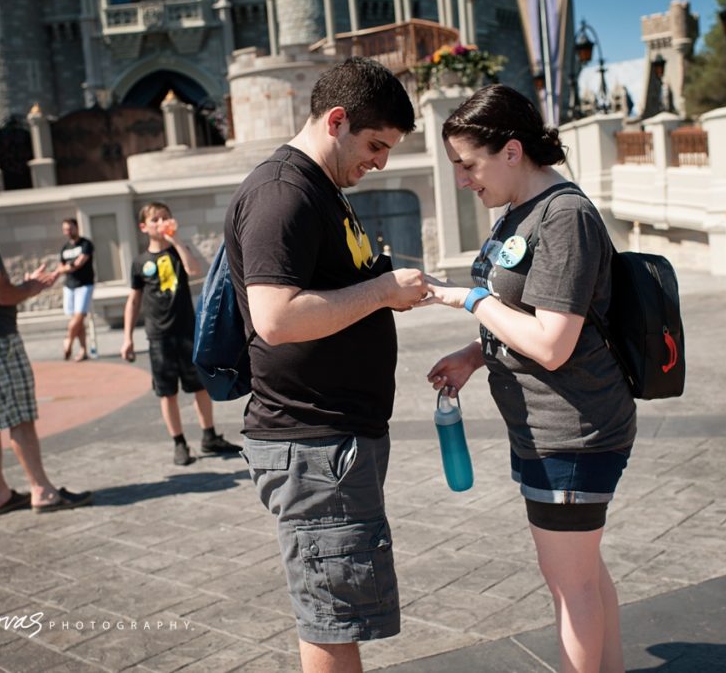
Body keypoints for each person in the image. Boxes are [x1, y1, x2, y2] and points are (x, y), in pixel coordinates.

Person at [422, 85, 636, 673]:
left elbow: (552, 342)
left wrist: (467, 300)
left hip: (574, 430)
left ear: (511, 151)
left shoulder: (563, 216)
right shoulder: (520, 212)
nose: (464, 180)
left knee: (571, 588)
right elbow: (526, 317)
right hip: (548, 429)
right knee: (583, 575)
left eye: (469, 165)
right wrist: (474, 353)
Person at [224, 57, 426, 673]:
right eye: (375, 145)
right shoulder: (284, 193)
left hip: (332, 441)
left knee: (337, 614)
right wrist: (384, 292)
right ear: (336, 121)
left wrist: (387, 282)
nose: (381, 162)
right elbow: (276, 319)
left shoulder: (319, 188)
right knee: (331, 621)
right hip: (314, 445)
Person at [0, 173, 94, 515]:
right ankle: (42, 491)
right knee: (20, 416)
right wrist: (30, 288)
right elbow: (1, 294)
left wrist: (23, 285)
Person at [120, 202, 240, 466]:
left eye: (165, 217)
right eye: (155, 220)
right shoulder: (140, 262)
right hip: (158, 336)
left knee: (199, 386)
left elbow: (194, 270)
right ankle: (179, 443)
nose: (161, 223)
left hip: (187, 331)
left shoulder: (178, 251)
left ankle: (209, 436)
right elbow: (133, 301)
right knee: (167, 391)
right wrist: (127, 336)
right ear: (143, 227)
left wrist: (175, 241)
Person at [57, 218, 95, 362]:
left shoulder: (86, 244)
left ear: (76, 227)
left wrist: (67, 267)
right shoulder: (65, 248)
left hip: (84, 285)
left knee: (79, 317)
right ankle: (83, 350)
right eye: (65, 229)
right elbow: (61, 266)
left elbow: (79, 263)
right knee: (77, 321)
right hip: (69, 286)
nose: (68, 232)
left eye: (70, 228)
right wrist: (67, 267)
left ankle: (68, 340)